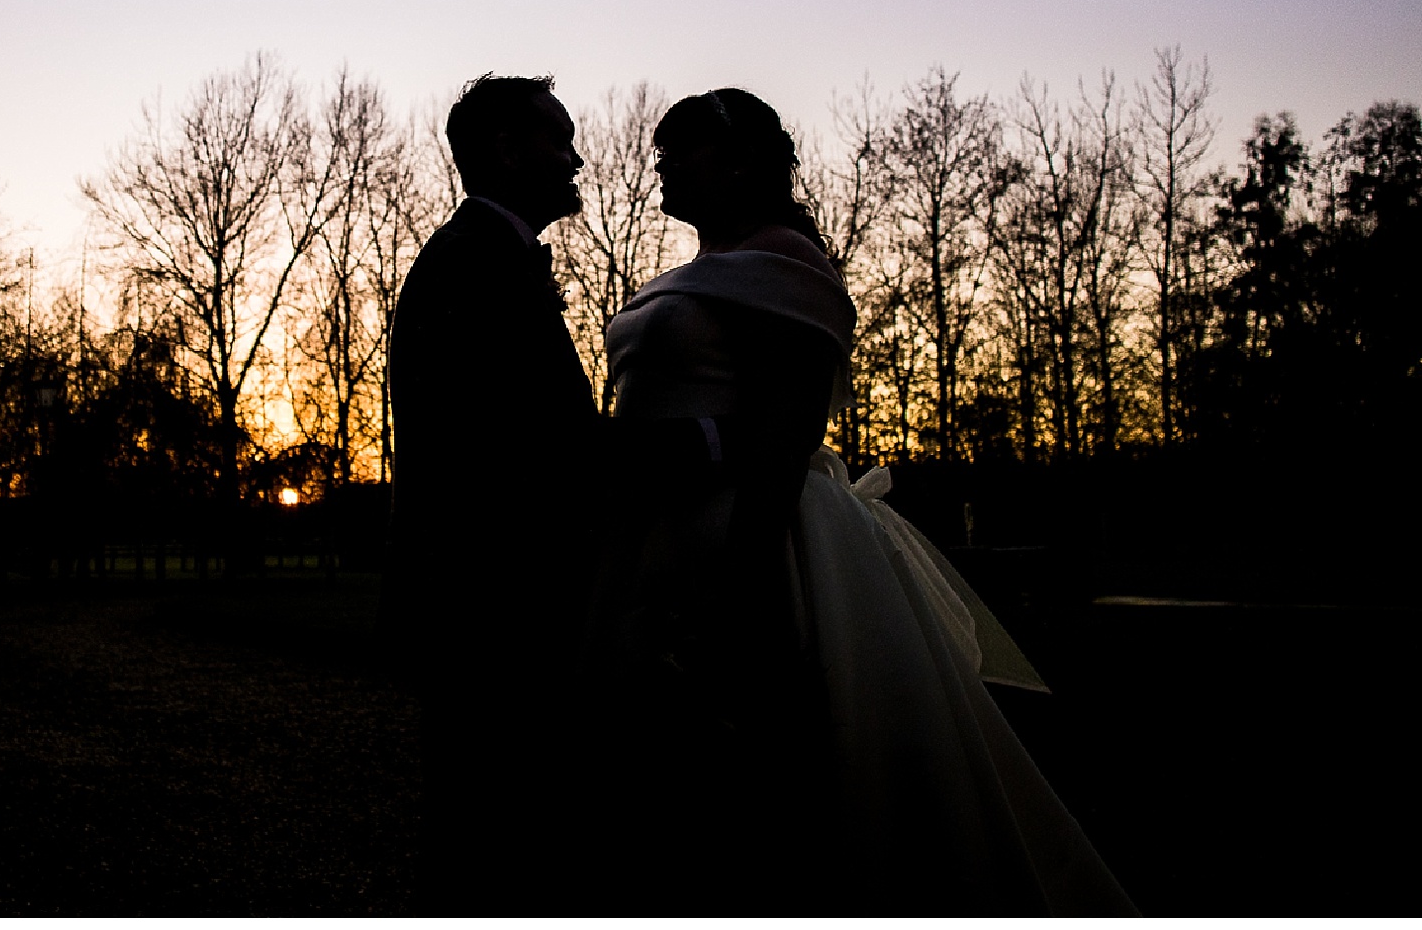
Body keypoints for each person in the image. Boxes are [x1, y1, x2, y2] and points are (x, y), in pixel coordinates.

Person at [584, 87, 1137, 916]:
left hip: (756, 542)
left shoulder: (787, 264)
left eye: (679, 149)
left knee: (778, 766)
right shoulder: (698, 271)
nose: (659, 163)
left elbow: (784, 432)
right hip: (651, 534)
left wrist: (734, 587)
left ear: (737, 162)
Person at [383, 73, 601, 913]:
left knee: (490, 827)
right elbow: (540, 445)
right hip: (499, 598)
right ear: (506, 149)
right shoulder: (479, 265)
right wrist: (709, 438)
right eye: (560, 138)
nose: (577, 157)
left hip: (483, 595)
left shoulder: (479, 256)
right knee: (497, 834)